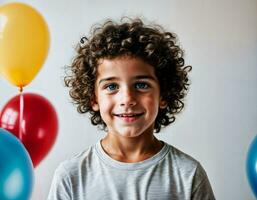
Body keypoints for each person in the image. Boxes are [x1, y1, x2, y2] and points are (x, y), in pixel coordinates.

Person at [48, 17, 215, 200]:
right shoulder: (71, 176)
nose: (127, 99)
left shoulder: (188, 174)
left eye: (141, 85)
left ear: (164, 95)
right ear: (93, 98)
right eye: (111, 87)